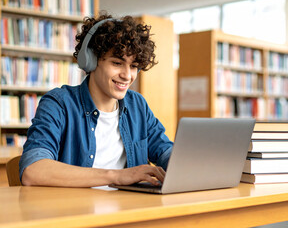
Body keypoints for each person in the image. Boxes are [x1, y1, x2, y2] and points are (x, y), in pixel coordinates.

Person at [19, 12, 173, 187]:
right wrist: (116, 176)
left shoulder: (137, 105)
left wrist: (190, 162)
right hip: (76, 211)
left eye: (134, 66)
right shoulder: (58, 104)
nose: (127, 75)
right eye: (117, 63)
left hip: (129, 210)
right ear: (90, 60)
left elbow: (165, 152)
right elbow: (33, 171)